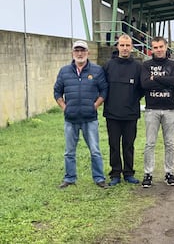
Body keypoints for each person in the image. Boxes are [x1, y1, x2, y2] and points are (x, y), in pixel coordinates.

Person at [54, 40, 108, 189]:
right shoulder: (64, 71)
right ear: (72, 53)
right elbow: (57, 91)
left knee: (95, 150)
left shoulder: (97, 70)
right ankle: (69, 178)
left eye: (82, 50)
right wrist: (64, 107)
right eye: (76, 50)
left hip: (89, 118)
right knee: (69, 152)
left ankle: (99, 178)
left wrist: (95, 105)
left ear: (88, 53)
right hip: (70, 119)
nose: (79, 53)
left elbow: (104, 91)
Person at [103, 34, 144, 186]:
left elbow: (141, 89)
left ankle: (128, 172)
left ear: (132, 47)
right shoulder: (108, 66)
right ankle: (115, 173)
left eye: (128, 45)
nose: (125, 48)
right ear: (117, 46)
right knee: (113, 145)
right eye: (122, 45)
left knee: (128, 145)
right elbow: (103, 87)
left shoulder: (138, 67)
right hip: (112, 113)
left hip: (130, 113)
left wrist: (131, 100)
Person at [140, 36, 174, 188]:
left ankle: (169, 172)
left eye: (161, 47)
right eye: (155, 47)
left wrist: (155, 78)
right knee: (150, 143)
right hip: (152, 109)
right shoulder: (146, 65)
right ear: (152, 49)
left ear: (166, 46)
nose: (158, 50)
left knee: (169, 143)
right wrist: (164, 79)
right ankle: (148, 173)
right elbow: (144, 84)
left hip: (169, 109)